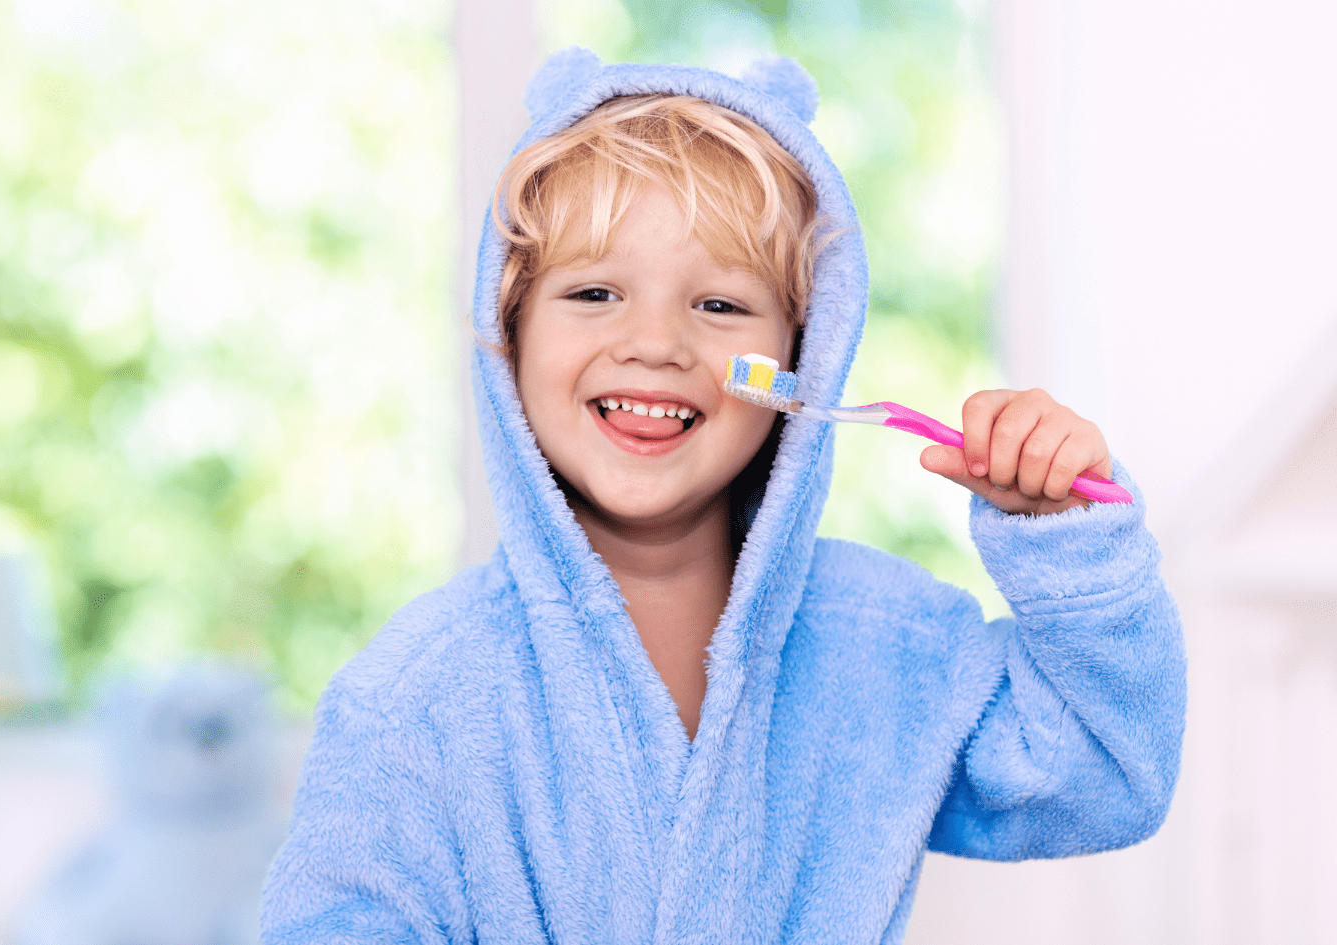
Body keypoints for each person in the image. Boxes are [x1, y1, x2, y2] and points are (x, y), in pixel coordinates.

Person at [260, 48, 1184, 944]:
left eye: (719, 306)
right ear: (510, 331)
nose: (655, 342)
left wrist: (1062, 536)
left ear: (800, 362)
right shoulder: (413, 705)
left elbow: (1102, 775)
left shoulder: (886, 648)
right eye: (593, 292)